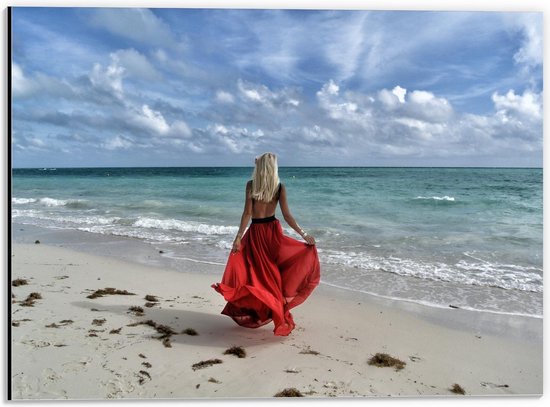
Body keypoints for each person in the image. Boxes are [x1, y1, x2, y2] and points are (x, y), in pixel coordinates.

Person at [211, 152, 321, 336]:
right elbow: (287, 215)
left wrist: (239, 236)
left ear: (260, 167)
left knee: (254, 275)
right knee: (272, 276)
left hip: (255, 233)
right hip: (272, 234)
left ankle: (262, 311)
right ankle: (277, 313)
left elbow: (247, 213)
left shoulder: (251, 185)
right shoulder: (279, 188)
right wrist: (303, 234)